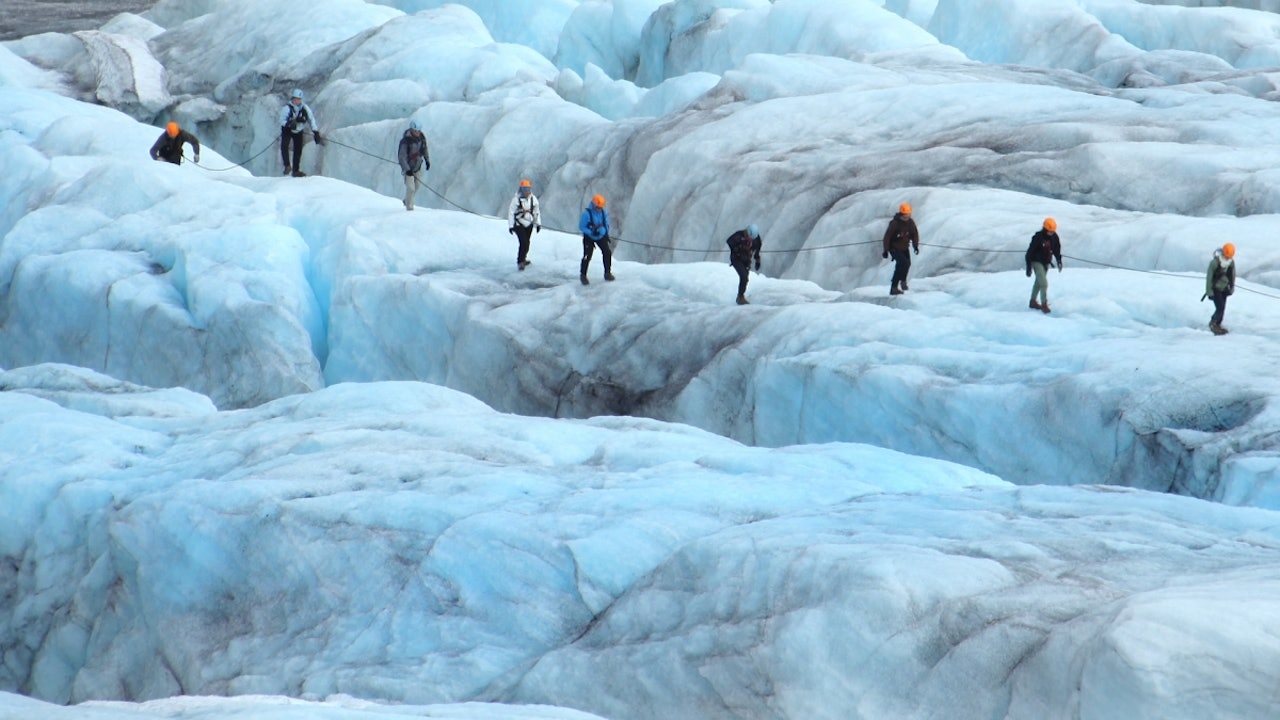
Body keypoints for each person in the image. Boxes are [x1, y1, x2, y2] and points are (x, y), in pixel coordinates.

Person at [279, 89, 321, 177]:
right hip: (287, 130)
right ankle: (287, 166)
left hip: (298, 131)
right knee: (284, 146)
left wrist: (315, 131)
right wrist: (290, 123)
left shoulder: (305, 108)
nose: (296, 101)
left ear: (301, 99)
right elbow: (282, 120)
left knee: (298, 150)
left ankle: (295, 171)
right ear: (292, 99)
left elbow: (311, 119)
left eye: (298, 99)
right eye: (295, 99)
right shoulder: (287, 108)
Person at [1025, 217, 1063, 313]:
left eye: (1053, 231)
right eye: (1050, 231)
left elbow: (1056, 250)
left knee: (1038, 282)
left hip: (1046, 262)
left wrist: (1059, 260)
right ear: (1045, 229)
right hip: (1036, 261)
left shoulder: (1054, 237)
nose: (1051, 233)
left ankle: (1032, 301)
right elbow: (1029, 253)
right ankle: (1044, 304)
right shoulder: (1038, 237)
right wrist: (1029, 267)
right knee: (1044, 283)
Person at [881, 202, 919, 295]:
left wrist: (915, 245)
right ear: (901, 214)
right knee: (903, 264)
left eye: (908, 215)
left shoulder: (910, 222)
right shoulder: (895, 223)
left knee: (907, 264)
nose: (907, 217)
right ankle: (894, 287)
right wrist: (886, 250)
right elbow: (887, 237)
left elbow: (914, 234)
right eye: (905, 215)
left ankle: (902, 281)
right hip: (894, 248)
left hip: (904, 247)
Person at [578, 194, 613, 284]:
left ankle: (607, 273)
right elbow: (582, 226)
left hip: (600, 236)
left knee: (607, 252)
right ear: (594, 205)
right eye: (598, 207)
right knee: (587, 256)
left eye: (601, 207)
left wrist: (604, 232)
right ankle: (583, 275)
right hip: (589, 238)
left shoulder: (603, 212)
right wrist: (591, 232)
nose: (599, 209)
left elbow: (607, 223)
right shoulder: (587, 214)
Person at [1204, 243, 1236, 335]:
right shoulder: (1215, 262)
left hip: (1225, 288)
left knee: (1222, 307)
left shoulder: (1230, 262)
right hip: (1216, 288)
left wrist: (1231, 287)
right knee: (1220, 307)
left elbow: (1232, 274)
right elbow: (1209, 277)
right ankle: (1214, 322)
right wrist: (1209, 291)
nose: (1228, 257)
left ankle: (1218, 323)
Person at [508, 179, 541, 269]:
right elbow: (511, 212)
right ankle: (520, 261)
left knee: (527, 242)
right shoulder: (516, 200)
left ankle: (523, 258)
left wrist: (538, 223)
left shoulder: (533, 199)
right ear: (521, 189)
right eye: (525, 189)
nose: (527, 191)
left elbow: (536, 211)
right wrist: (511, 226)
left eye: (528, 188)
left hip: (529, 224)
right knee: (524, 243)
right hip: (519, 224)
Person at [726, 224, 762, 305]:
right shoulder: (738, 236)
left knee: (745, 278)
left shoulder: (756, 240)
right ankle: (740, 297)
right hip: (736, 259)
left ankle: (740, 296)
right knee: (743, 276)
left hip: (746, 260)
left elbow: (757, 250)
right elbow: (729, 241)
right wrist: (736, 249)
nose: (750, 239)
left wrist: (757, 260)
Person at [397, 120, 430, 210]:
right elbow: (402, 157)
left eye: (419, 131)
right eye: (416, 131)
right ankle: (409, 208)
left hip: (417, 166)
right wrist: (407, 170)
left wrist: (427, 160)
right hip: (408, 168)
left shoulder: (422, 138)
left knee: (417, 186)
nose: (418, 133)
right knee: (411, 188)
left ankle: (406, 200)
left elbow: (424, 149)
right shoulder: (405, 141)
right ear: (411, 130)